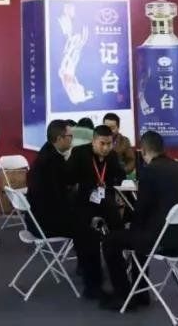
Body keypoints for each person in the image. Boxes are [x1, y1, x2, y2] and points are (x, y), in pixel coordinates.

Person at [100, 131, 178, 311]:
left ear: (143, 151)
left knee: (111, 240)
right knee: (139, 236)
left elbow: (141, 210)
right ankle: (141, 292)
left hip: (162, 241)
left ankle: (123, 295)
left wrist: (129, 228)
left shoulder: (149, 171)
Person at [67, 124, 126, 299]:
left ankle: (118, 264)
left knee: (118, 226)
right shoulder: (79, 153)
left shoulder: (112, 156)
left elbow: (120, 175)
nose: (106, 148)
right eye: (102, 143)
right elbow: (69, 177)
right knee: (85, 231)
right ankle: (87, 271)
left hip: (105, 199)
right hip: (84, 200)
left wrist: (111, 182)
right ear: (93, 141)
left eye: (109, 144)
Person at [26, 119, 73, 237]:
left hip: (35, 220)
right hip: (45, 225)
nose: (72, 140)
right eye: (70, 136)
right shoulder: (52, 162)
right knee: (87, 224)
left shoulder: (47, 149)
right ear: (59, 139)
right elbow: (60, 198)